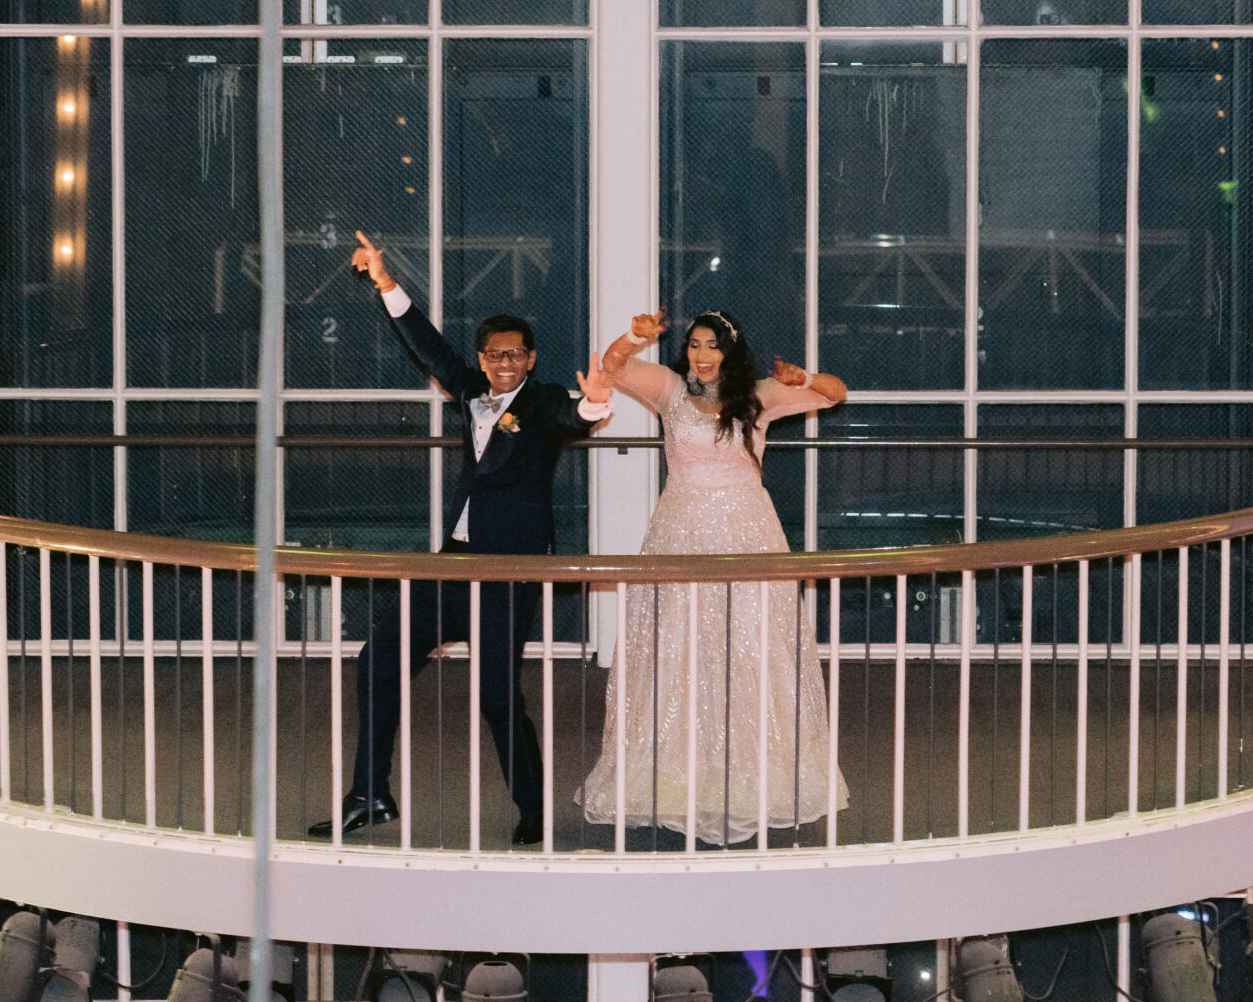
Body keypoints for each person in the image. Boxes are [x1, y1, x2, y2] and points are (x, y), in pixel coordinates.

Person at [309, 230, 612, 848]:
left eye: (516, 355)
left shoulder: (547, 399)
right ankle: (370, 794)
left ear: (531, 359)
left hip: (510, 569)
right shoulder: (471, 392)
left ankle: (532, 809)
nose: (505, 363)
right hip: (454, 563)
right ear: (482, 360)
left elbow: (569, 417)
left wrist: (594, 406)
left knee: (498, 697)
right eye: (495, 355)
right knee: (379, 659)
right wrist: (385, 282)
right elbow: (426, 346)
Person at [578, 308, 848, 847]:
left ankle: (754, 779)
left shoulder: (756, 397)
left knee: (750, 649)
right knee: (677, 651)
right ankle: (674, 777)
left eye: (713, 346)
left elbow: (836, 393)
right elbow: (610, 365)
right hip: (680, 531)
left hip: (747, 531)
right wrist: (634, 338)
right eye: (695, 345)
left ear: (731, 351)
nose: (701, 356)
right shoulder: (671, 391)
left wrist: (806, 381)